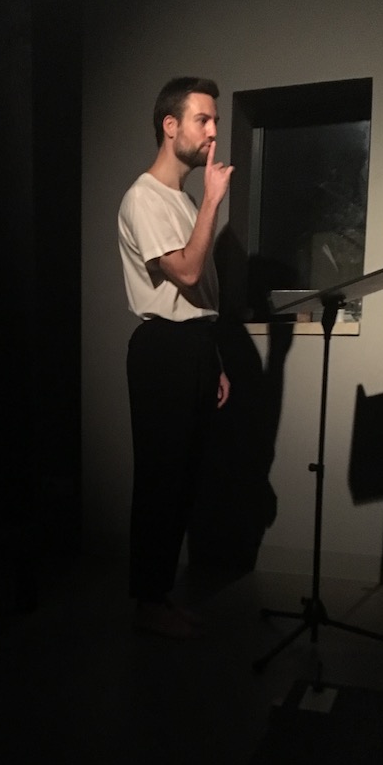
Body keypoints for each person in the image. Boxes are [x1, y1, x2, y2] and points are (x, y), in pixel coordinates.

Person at [117, 76, 233, 638]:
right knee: (160, 481)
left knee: (184, 481)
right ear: (171, 126)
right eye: (202, 120)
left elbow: (200, 295)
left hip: (194, 347)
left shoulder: (182, 201)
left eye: (215, 121)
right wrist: (211, 200)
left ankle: (159, 597)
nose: (213, 132)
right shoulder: (144, 197)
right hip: (163, 350)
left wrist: (216, 360)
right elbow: (185, 272)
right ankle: (148, 604)